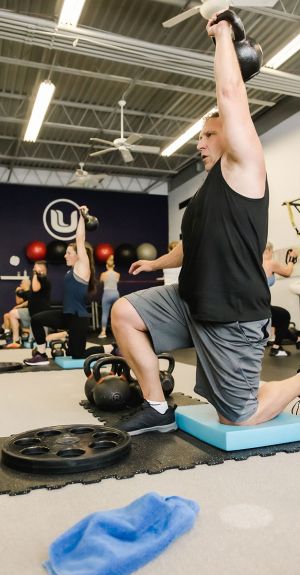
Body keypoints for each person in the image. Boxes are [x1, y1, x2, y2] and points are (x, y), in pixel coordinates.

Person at [111, 11, 300, 436]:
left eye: (209, 133)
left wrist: (222, 36)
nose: (200, 140)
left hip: (232, 313)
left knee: (238, 416)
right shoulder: (203, 194)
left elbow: (231, 94)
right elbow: (188, 247)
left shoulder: (246, 167)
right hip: (191, 300)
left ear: (231, 136)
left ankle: (292, 383)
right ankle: (157, 406)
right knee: (124, 312)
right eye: (199, 135)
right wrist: (156, 265)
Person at [24, 206, 97, 366]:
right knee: (36, 319)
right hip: (66, 315)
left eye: (68, 253)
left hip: (78, 319)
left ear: (79, 255)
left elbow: (80, 238)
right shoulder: (70, 271)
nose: (65, 255)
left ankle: (110, 348)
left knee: (77, 355)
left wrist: (81, 217)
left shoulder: (82, 267)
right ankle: (41, 354)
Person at [263, 242, 300, 357]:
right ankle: (276, 348)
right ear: (268, 251)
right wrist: (292, 259)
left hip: (253, 304)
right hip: (261, 306)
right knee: (284, 316)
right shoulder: (270, 263)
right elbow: (288, 272)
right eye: (272, 251)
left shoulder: (254, 263)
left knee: (279, 320)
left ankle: (297, 339)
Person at [5, 262, 50, 349]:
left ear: (41, 269)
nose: (33, 269)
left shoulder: (44, 280)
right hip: (30, 312)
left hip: (41, 314)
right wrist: (20, 296)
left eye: (35, 267)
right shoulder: (35, 277)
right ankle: (16, 341)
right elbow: (32, 297)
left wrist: (36, 274)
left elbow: (35, 290)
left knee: (37, 342)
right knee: (12, 313)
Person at [98, 254, 120, 339]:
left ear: (106, 265)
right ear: (113, 265)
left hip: (107, 294)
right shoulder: (117, 274)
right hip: (115, 293)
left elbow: (101, 282)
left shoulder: (103, 274)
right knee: (117, 314)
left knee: (105, 313)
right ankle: (118, 333)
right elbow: (116, 281)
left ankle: (103, 332)